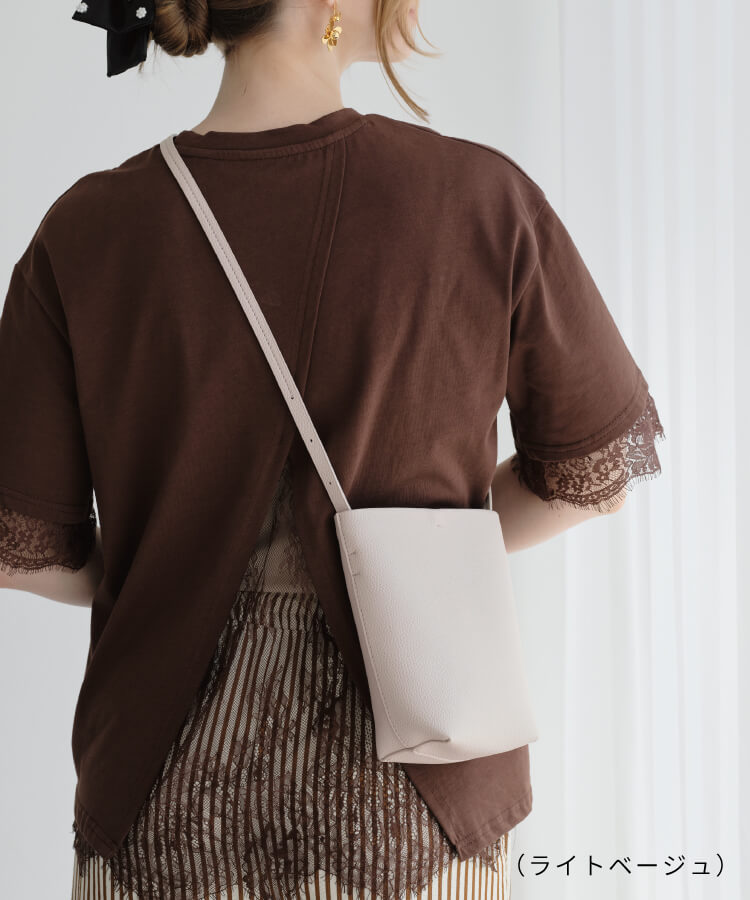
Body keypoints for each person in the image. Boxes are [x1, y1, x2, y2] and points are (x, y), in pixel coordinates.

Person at [0, 0, 665, 897]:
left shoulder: (86, 228)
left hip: (161, 792)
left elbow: (23, 547)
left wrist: (172, 559)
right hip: (412, 797)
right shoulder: (476, 197)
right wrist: (408, 559)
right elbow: (593, 477)